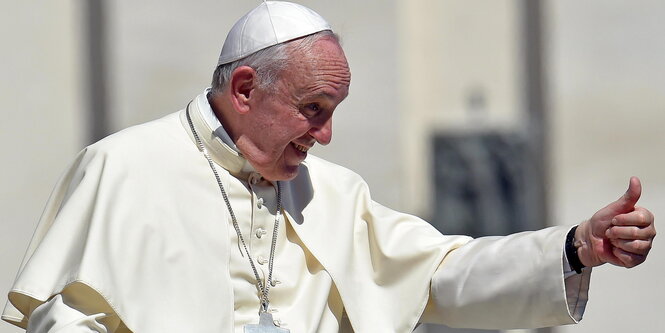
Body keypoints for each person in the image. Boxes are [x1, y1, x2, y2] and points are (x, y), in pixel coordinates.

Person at [2, 2, 656, 333]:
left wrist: (574, 248)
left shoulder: (333, 193)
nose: (326, 133)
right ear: (245, 89)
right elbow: (60, 317)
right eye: (311, 108)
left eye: (334, 109)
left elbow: (442, 273)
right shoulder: (123, 169)